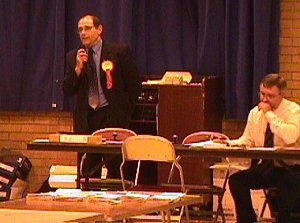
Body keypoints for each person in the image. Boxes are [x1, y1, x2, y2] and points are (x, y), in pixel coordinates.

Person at [63, 14, 141, 179]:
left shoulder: (118, 52)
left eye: (88, 28)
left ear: (99, 29)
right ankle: (88, 202)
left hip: (111, 115)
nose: (83, 33)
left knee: (115, 166)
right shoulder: (73, 57)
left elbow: (134, 84)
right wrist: (77, 69)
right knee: (89, 169)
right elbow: (68, 90)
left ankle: (115, 202)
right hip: (87, 118)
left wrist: (125, 110)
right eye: (80, 30)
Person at [227, 73, 300, 223]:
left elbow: (290, 136)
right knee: (236, 181)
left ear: (281, 95)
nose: (265, 99)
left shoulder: (294, 111)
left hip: (291, 168)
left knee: (288, 183)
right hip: (266, 167)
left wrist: (269, 114)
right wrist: (228, 143)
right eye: (262, 94)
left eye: (270, 96)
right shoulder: (255, 113)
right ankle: (248, 220)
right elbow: (247, 139)